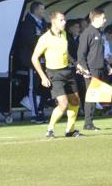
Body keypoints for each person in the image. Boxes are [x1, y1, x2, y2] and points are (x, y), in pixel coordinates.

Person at [30, 10, 81, 139]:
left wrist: (76, 64)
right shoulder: (45, 38)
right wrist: (43, 76)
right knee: (63, 103)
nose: (64, 22)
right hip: (54, 73)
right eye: (61, 20)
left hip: (67, 71)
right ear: (54, 21)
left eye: (65, 20)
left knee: (75, 101)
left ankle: (70, 130)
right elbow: (34, 58)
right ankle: (50, 130)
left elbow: (65, 53)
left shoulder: (64, 34)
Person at [75, 8, 110, 132]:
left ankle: (90, 121)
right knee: (91, 96)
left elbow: (99, 52)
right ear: (95, 18)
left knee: (96, 96)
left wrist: (107, 65)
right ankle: (88, 123)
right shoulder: (88, 33)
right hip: (91, 69)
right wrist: (85, 69)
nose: (105, 20)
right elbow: (81, 54)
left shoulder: (99, 33)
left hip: (100, 68)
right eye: (103, 18)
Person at [14, 0, 47, 120]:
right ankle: (34, 114)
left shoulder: (43, 23)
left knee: (45, 87)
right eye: (42, 9)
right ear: (36, 10)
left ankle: (40, 110)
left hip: (43, 60)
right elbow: (31, 41)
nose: (44, 12)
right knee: (33, 87)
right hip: (31, 61)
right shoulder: (27, 24)